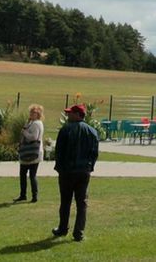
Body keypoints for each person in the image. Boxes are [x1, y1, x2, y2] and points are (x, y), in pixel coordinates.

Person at [51, 103, 99, 242]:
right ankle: (79, 232)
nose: (68, 115)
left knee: (65, 201)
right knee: (82, 202)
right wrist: (90, 167)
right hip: (83, 171)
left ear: (78, 114)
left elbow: (59, 151)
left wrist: (59, 168)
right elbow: (94, 153)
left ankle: (63, 228)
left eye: (70, 113)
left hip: (67, 171)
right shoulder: (92, 131)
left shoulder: (66, 130)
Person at [14, 104, 45, 203]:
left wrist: (24, 133)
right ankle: (24, 194)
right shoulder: (32, 122)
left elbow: (34, 137)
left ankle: (32, 195)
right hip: (32, 152)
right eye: (31, 112)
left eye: (34, 112)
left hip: (32, 152)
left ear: (38, 114)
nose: (31, 114)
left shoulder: (36, 124)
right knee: (25, 174)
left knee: (31, 174)